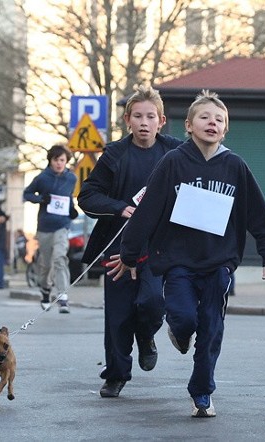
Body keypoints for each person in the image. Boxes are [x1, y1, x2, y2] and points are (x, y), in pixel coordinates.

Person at [110, 90, 265, 417]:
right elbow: (148, 210)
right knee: (183, 319)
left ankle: (202, 391)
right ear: (189, 125)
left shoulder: (235, 166)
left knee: (211, 327)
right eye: (205, 117)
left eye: (219, 120)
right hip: (178, 261)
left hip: (219, 264)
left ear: (225, 130)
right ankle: (179, 333)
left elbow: (257, 213)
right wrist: (129, 253)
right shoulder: (173, 162)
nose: (212, 123)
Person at [78, 85, 182, 398]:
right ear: (128, 120)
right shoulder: (114, 154)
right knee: (118, 313)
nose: (144, 122)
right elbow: (87, 195)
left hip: (158, 246)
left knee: (151, 302)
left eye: (151, 116)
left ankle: (146, 335)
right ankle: (116, 374)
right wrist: (118, 207)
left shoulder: (174, 153)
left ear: (161, 121)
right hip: (117, 245)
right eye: (138, 116)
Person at [23, 144, 77, 313]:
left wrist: (71, 209)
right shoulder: (42, 178)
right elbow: (27, 194)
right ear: (50, 161)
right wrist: (41, 199)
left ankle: (63, 296)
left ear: (66, 161)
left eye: (62, 160)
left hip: (62, 225)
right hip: (45, 226)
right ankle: (45, 290)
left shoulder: (72, 178)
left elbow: (67, 197)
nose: (59, 163)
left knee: (60, 258)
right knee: (46, 264)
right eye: (56, 160)